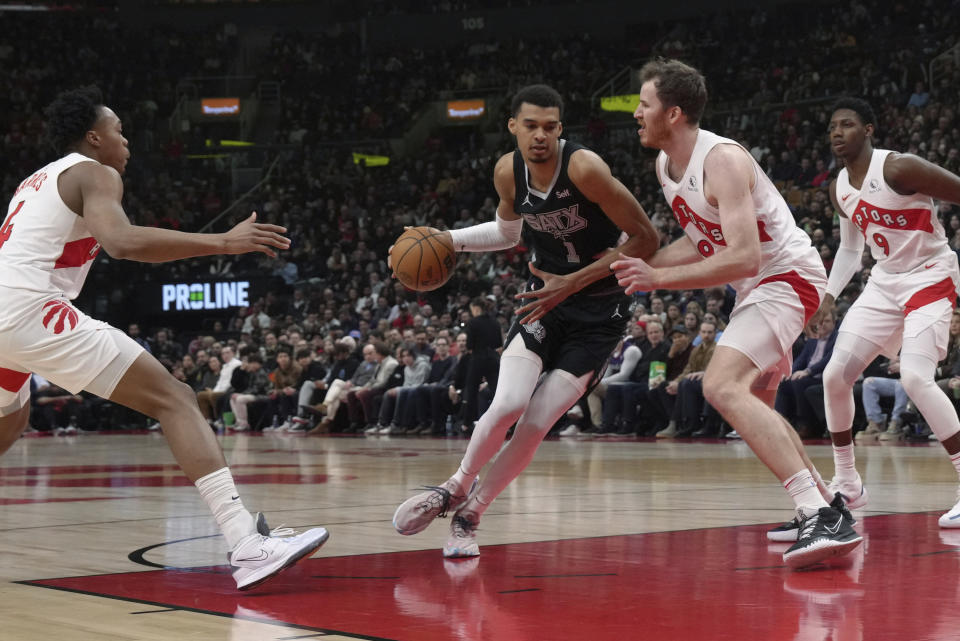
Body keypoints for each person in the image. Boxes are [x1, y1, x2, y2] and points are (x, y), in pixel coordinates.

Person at [0, 86, 327, 590]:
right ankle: (246, 543)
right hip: (26, 308)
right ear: (93, 137)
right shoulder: (95, 171)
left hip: (6, 315)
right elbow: (123, 243)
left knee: (11, 418)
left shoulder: (34, 180)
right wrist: (224, 241)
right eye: (118, 130)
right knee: (176, 399)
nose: (125, 141)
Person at [611, 60, 861, 568]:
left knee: (720, 386)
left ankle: (817, 513)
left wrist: (655, 278)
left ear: (674, 113)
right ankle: (828, 505)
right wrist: (640, 265)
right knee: (758, 403)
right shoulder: (666, 165)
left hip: (787, 277)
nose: (636, 112)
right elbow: (701, 239)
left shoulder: (721, 160)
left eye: (644, 104)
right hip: (759, 286)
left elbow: (743, 255)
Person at [392, 83, 659, 557]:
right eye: (531, 125)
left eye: (550, 127)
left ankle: (471, 515)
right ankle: (454, 486)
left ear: (561, 129)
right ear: (513, 126)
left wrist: (572, 281)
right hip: (545, 303)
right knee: (509, 403)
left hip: (600, 313)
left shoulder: (585, 168)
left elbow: (645, 238)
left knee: (536, 423)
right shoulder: (507, 172)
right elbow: (506, 232)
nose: (540, 135)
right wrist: (446, 238)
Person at [812, 97, 960, 527]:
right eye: (832, 127)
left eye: (848, 124)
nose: (837, 132)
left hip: (931, 274)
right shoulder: (838, 187)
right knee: (834, 376)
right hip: (884, 281)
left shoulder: (898, 167)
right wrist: (829, 294)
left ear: (870, 130)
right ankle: (848, 484)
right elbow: (851, 248)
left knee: (915, 377)